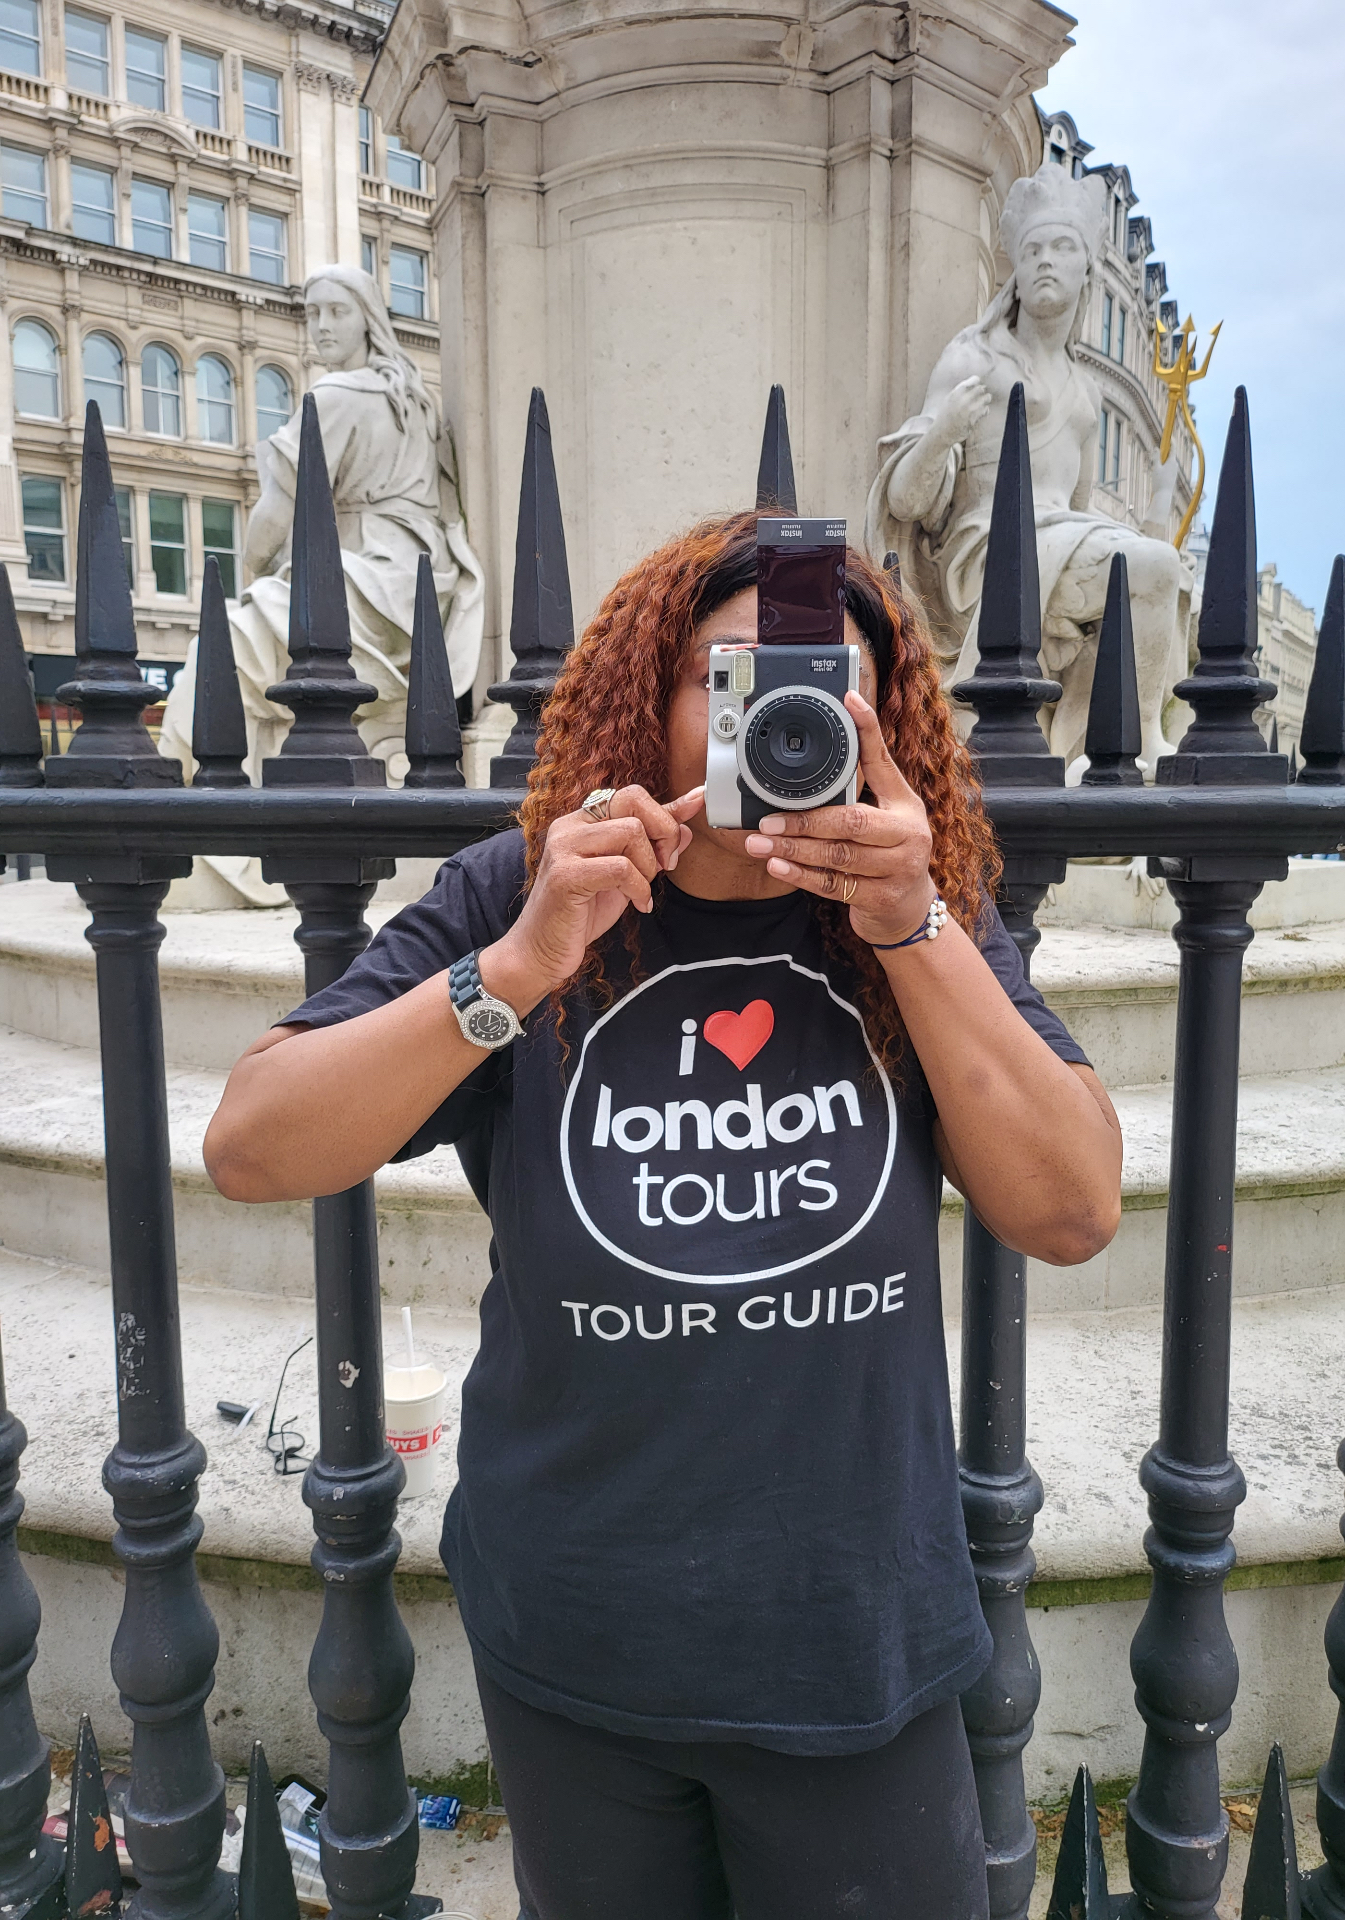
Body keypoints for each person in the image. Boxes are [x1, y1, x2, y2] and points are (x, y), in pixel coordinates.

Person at [204, 512, 1122, 1920]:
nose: (784, 723)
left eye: (830, 688)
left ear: (884, 726)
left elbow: (1071, 1208)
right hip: (579, 1632)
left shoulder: (913, 914)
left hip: (849, 1637)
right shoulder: (525, 889)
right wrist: (518, 969)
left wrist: (914, 924)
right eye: (729, 680)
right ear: (650, 699)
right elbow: (253, 1144)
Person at [864, 162, 1192, 775]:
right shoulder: (975, 356)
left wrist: (1153, 513)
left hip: (1059, 539)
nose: (1045, 261)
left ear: (1087, 268)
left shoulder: (1085, 395)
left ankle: (1112, 737)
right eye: (1033, 249)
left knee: (1161, 570)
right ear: (1014, 266)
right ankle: (1140, 735)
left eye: (1062, 247)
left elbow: (1079, 507)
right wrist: (945, 431)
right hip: (986, 550)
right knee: (1152, 566)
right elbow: (906, 500)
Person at [159, 265, 484, 788]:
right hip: (418, 584)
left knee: (219, 649)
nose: (322, 326)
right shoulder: (416, 401)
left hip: (368, 581)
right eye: (313, 313)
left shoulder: (335, 395)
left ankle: (187, 804)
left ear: (368, 318)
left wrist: (252, 575)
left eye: (337, 311)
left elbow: (277, 511)